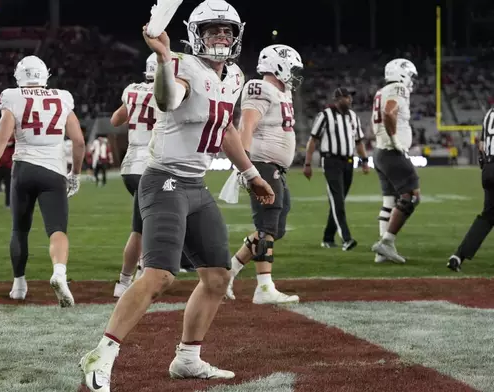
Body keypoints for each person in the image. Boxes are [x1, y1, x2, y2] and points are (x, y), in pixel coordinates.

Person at [79, 2, 275, 391]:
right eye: (212, 30)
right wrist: (165, 58)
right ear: (195, 35)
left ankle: (188, 359)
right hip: (164, 180)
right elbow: (168, 101)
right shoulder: (183, 66)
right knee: (159, 275)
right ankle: (102, 353)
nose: (220, 36)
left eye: (226, 30)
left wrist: (250, 173)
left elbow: (226, 130)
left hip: (195, 186)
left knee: (218, 276)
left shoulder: (234, 75)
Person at [0, 55, 86, 306]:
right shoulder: (63, 97)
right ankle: (59, 273)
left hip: (24, 168)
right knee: (57, 230)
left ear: (19, 75)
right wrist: (75, 173)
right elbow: (78, 141)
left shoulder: (13, 96)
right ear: (45, 74)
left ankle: (19, 285)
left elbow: (1, 139)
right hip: (54, 171)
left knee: (20, 230)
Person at [224, 44, 302, 305]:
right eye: (293, 67)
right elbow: (246, 125)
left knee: (274, 229)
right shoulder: (260, 87)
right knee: (267, 226)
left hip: (274, 167)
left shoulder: (282, 91)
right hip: (262, 164)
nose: (295, 74)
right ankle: (264, 287)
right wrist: (246, 168)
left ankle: (229, 272)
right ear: (279, 64)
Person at [109, 53, 157, 297]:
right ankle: (133, 278)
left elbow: (116, 120)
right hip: (152, 166)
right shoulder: (169, 92)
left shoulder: (132, 90)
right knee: (144, 228)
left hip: (130, 167)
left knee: (145, 225)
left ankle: (127, 281)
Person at [304, 87, 370, 250]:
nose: (350, 100)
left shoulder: (353, 117)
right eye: (347, 97)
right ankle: (346, 238)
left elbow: (359, 141)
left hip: (349, 162)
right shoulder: (325, 115)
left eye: (350, 97)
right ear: (337, 99)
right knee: (338, 201)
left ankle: (327, 238)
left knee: (338, 201)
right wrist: (307, 164)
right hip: (331, 161)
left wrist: (364, 161)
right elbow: (313, 140)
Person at [370, 58, 420, 264]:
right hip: (392, 152)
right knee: (412, 196)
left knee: (389, 201)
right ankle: (387, 242)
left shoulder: (381, 90)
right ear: (402, 73)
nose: (412, 81)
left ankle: (382, 254)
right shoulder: (398, 88)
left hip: (381, 152)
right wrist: (395, 139)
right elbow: (389, 111)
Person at [447, 107, 494, 271]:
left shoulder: (489, 114)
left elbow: (481, 144)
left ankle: (458, 256)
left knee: (487, 217)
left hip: (488, 169)